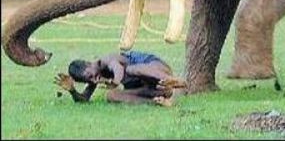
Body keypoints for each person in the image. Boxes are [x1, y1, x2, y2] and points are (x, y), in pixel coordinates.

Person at [54, 50, 186, 106]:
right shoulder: (95, 77)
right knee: (111, 96)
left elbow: (118, 68)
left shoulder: (104, 61)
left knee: (131, 69)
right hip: (153, 88)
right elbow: (84, 100)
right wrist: (72, 91)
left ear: (89, 64)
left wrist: (116, 82)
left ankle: (175, 81)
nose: (94, 80)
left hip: (156, 70)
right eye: (89, 81)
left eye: (91, 76)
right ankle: (158, 101)